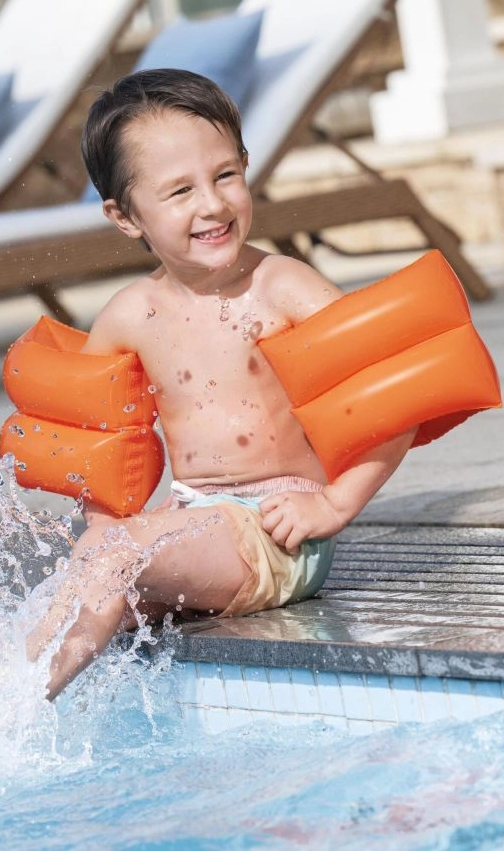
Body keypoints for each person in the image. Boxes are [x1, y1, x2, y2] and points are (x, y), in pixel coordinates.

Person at [25, 69, 416, 698]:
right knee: (79, 593)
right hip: (194, 522)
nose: (212, 204)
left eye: (226, 175)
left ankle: (8, 715)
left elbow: (393, 395)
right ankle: (0, 706)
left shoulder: (283, 288)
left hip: (279, 532)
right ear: (124, 216)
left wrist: (336, 504)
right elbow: (96, 449)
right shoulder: (129, 316)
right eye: (180, 190)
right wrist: (111, 528)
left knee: (108, 562)